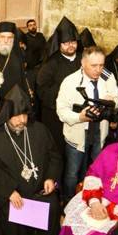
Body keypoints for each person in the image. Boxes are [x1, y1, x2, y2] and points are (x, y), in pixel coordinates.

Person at [0, 85, 61, 235]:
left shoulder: (39, 130)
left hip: (39, 189)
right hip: (13, 193)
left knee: (53, 205)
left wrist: (50, 177)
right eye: (16, 116)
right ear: (7, 115)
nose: (22, 120)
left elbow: (54, 155)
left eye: (25, 115)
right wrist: (9, 190)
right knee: (10, 210)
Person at [56, 46, 118, 202]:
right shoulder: (70, 81)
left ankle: (89, 199)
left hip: (100, 133)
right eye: (94, 65)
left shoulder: (108, 77)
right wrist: (80, 117)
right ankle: (69, 201)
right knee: (72, 172)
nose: (98, 70)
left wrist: (111, 103)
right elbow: (61, 111)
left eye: (101, 65)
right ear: (83, 63)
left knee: (95, 170)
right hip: (77, 134)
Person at [36, 17, 82, 150]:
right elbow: (42, 89)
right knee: (58, 149)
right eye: (66, 43)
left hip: (79, 114)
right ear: (59, 44)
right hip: (55, 115)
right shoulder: (51, 64)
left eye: (73, 42)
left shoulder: (83, 60)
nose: (70, 46)